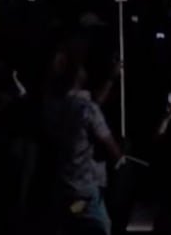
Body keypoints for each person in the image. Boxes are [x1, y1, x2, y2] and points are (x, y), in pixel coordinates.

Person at [43, 52, 124, 235]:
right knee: (100, 226)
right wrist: (121, 154)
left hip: (63, 187)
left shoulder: (54, 106)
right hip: (84, 191)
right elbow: (113, 151)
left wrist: (111, 79)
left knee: (73, 220)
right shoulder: (87, 109)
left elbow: (92, 105)